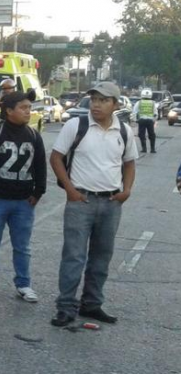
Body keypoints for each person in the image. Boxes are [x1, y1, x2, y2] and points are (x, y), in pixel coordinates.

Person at [49, 81, 137, 327]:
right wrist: (70, 189)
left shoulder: (124, 131)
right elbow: (56, 158)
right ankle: (66, 307)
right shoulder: (76, 125)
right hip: (81, 201)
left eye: (103, 100)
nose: (96, 105)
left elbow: (129, 163)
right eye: (94, 99)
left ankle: (92, 304)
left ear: (115, 104)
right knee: (74, 256)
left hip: (111, 202)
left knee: (102, 256)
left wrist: (126, 191)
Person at [0, 90, 46, 302]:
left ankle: (24, 285)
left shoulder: (34, 136)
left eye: (29, 108)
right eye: (23, 108)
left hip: (24, 203)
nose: (28, 112)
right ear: (9, 111)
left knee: (22, 247)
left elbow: (40, 165)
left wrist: (38, 192)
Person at [133, 88, 157, 153]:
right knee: (152, 134)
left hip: (141, 120)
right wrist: (154, 120)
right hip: (150, 121)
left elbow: (134, 112)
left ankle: (144, 149)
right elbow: (155, 113)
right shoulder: (153, 103)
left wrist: (135, 120)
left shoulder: (139, 102)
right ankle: (152, 149)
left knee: (141, 134)